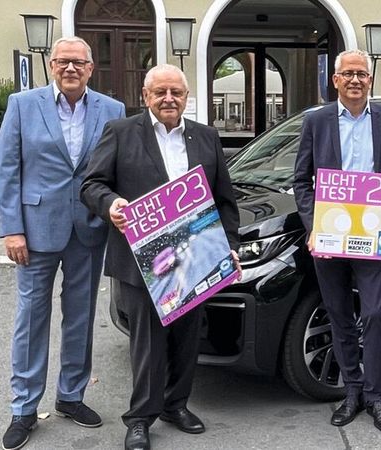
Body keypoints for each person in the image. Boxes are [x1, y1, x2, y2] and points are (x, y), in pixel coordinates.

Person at [80, 64, 241, 450]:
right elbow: (91, 184)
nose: (169, 99)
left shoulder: (206, 136)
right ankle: (140, 418)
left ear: (187, 97)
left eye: (176, 92)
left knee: (187, 339)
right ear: (145, 96)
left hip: (194, 256)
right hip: (140, 261)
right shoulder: (121, 132)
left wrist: (229, 244)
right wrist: (112, 204)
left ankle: (176, 406)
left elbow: (224, 199)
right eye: (160, 92)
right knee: (148, 344)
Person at [0, 36, 125, 450]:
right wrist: (11, 228)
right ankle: (24, 409)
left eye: (79, 63)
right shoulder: (22, 105)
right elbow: (6, 168)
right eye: (63, 61)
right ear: (51, 66)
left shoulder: (112, 110)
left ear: (90, 68)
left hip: (88, 227)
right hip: (34, 229)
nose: (71, 68)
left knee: (80, 317)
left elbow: (119, 169)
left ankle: (71, 397)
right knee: (31, 319)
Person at [293, 49, 381, 434]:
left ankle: (376, 397)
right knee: (339, 313)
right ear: (336, 80)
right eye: (349, 74)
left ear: (370, 79)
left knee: (376, 313)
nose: (356, 80)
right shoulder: (317, 121)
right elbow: (301, 179)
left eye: (362, 73)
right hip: (329, 232)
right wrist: (313, 225)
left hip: (372, 232)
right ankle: (352, 391)